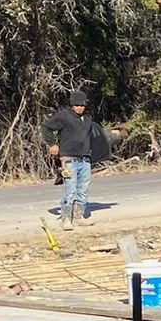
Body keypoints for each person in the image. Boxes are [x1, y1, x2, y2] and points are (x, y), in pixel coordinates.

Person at [43, 88, 110, 227]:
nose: (79, 108)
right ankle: (66, 219)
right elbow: (46, 127)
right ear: (72, 105)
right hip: (69, 159)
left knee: (83, 190)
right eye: (76, 105)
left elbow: (95, 137)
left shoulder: (88, 120)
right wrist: (52, 144)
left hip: (85, 160)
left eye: (82, 105)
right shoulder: (64, 116)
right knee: (70, 190)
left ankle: (78, 217)